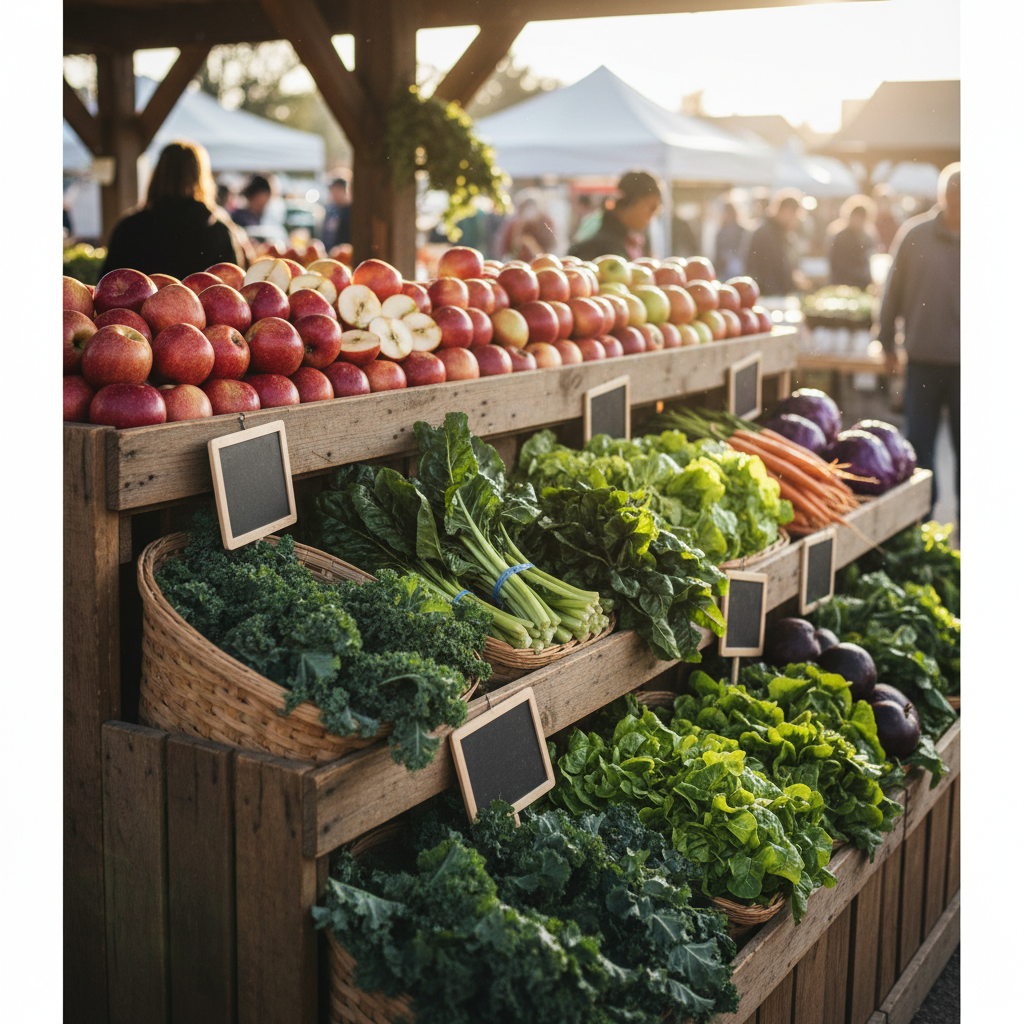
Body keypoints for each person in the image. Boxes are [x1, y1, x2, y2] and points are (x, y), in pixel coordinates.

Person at [876, 163, 960, 515]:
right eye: (955, 195)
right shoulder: (916, 234)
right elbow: (891, 292)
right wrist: (886, 341)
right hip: (923, 359)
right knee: (919, 446)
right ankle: (922, 518)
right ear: (944, 196)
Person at [101, 140, 251, 280]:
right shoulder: (218, 230)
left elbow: (107, 283)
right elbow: (235, 284)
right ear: (201, 177)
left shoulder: (129, 228)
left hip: (137, 309)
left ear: (157, 175)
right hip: (206, 309)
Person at [568, 170, 664, 262]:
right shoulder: (600, 244)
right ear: (629, 202)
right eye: (651, 208)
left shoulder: (632, 238)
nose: (653, 216)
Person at [743, 188, 808, 296]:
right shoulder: (764, 233)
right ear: (787, 211)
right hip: (767, 298)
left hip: (777, 296)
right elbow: (763, 272)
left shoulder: (783, 235)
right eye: (796, 216)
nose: (796, 221)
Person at [827, 195, 878, 290]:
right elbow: (837, 265)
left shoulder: (867, 237)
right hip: (843, 285)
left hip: (862, 286)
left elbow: (868, 261)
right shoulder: (841, 237)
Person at [496, 190, 558, 262]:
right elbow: (504, 247)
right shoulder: (513, 224)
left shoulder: (546, 222)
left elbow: (553, 244)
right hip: (518, 265)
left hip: (542, 263)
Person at [714, 201, 748, 281]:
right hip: (723, 267)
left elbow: (744, 249)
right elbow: (717, 252)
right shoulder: (721, 231)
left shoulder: (742, 230)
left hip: (738, 266)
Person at [321, 174, 352, 251]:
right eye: (332, 190)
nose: (334, 194)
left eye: (337, 190)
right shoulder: (331, 210)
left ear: (344, 190)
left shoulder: (350, 212)